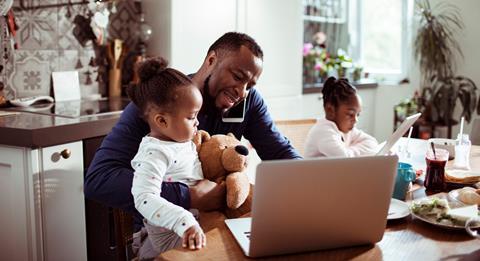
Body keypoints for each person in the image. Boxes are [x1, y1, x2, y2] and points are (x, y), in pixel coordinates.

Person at [84, 32, 301, 231]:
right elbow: (99, 180)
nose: (242, 92)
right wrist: (189, 196)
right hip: (164, 234)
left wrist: (315, 182)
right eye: (237, 76)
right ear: (211, 60)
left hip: (218, 228)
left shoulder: (250, 103)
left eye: (250, 85)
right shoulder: (159, 103)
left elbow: (280, 153)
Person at [127, 57, 206, 257]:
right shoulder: (155, 152)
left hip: (198, 223)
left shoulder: (178, 141)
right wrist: (184, 221)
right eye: (191, 117)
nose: (197, 123)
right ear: (162, 121)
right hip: (172, 236)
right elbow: (144, 198)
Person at [304, 77, 378, 157]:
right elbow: (344, 158)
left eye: (358, 114)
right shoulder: (323, 131)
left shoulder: (347, 130)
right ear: (330, 110)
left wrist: (349, 151)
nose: (355, 120)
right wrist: (351, 151)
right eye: (350, 114)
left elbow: (373, 143)